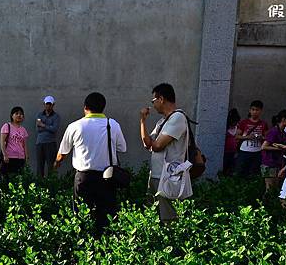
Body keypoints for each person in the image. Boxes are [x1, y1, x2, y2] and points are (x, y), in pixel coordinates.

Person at [54, 92, 127, 237]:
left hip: (83, 178)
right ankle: (104, 249)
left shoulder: (75, 126)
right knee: (105, 217)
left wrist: (56, 164)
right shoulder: (112, 125)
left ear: (85, 107)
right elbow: (122, 148)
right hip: (108, 178)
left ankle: (84, 249)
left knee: (81, 216)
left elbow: (62, 153)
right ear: (103, 107)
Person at [139, 83, 189, 224]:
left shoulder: (178, 118)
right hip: (156, 175)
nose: (153, 105)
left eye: (153, 101)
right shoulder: (163, 121)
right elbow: (147, 144)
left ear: (161, 99)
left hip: (168, 176)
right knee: (152, 215)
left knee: (168, 219)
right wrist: (143, 121)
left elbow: (158, 145)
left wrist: (153, 144)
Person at [234, 100, 269, 177]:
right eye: (253, 109)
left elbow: (267, 137)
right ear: (250, 110)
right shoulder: (244, 122)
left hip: (257, 151)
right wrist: (247, 137)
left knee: (254, 172)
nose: (254, 112)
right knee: (241, 172)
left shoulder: (263, 124)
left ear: (260, 111)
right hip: (244, 151)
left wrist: (261, 137)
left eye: (257, 110)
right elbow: (237, 136)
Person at [260, 109, 286, 196]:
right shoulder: (274, 131)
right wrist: (279, 148)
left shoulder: (283, 133)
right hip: (269, 163)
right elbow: (264, 146)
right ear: (284, 120)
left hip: (277, 163)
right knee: (269, 188)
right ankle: (264, 206)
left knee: (275, 187)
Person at [0, 106, 29, 180]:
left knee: (19, 178)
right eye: (16, 113)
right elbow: (2, 141)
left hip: (20, 158)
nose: (19, 115)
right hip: (9, 157)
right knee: (7, 178)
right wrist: (5, 154)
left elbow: (24, 144)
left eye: (21, 114)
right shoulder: (7, 126)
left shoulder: (23, 129)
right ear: (12, 115)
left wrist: (26, 156)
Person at [35, 95, 61, 178]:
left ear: (53, 105)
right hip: (40, 143)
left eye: (50, 104)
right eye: (47, 104)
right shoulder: (39, 115)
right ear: (44, 104)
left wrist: (43, 125)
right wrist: (48, 127)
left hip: (50, 143)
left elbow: (55, 129)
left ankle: (50, 186)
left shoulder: (56, 116)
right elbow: (38, 129)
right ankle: (40, 186)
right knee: (40, 166)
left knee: (51, 166)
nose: (48, 106)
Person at [223, 108, 241, 175]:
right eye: (233, 122)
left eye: (236, 122)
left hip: (234, 151)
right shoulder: (226, 128)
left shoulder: (238, 127)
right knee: (225, 166)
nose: (234, 123)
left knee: (232, 168)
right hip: (225, 152)